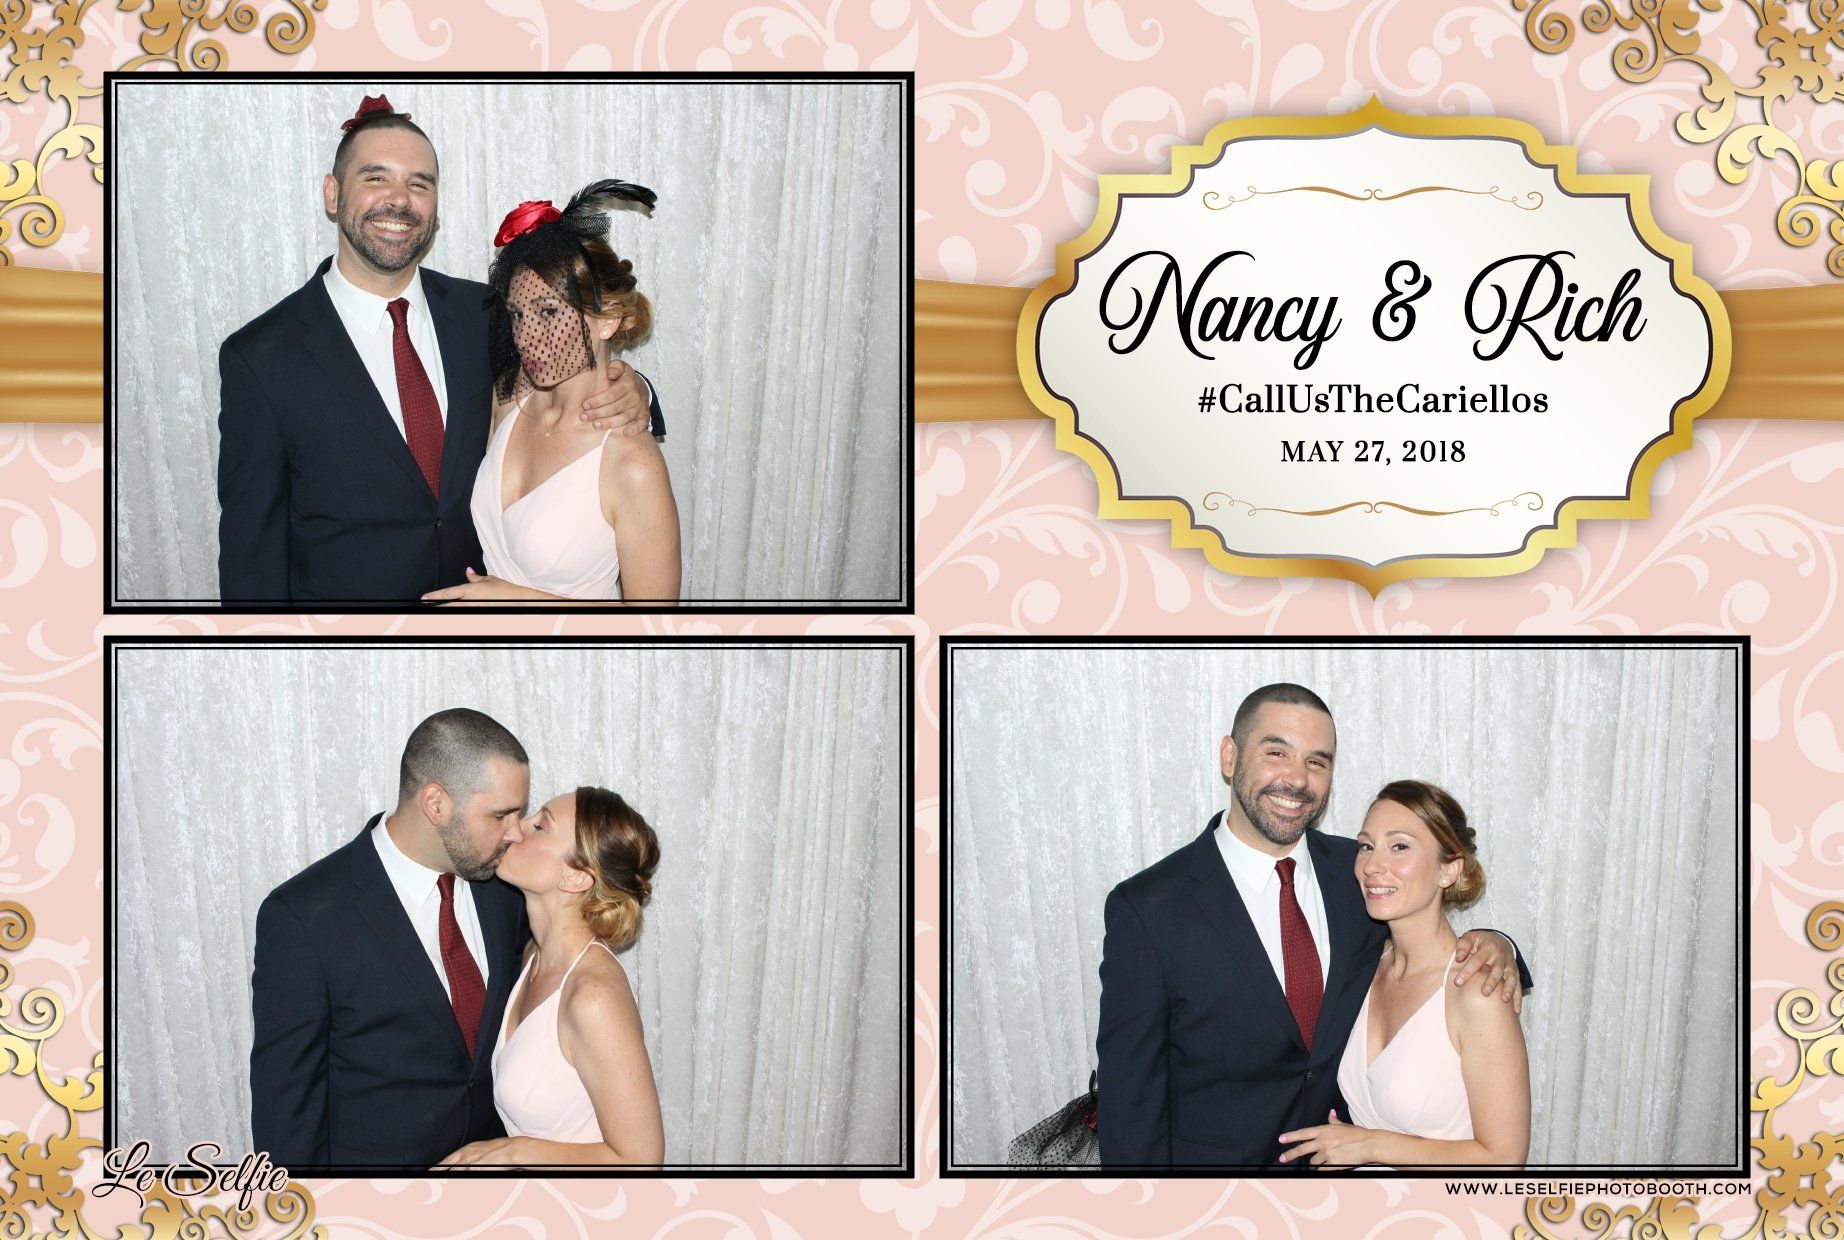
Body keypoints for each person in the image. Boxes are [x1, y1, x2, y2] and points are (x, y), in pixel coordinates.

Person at [217, 95, 661, 604]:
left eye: (419, 184)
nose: (400, 200)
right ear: (333, 194)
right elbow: (252, 555)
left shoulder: (485, 313)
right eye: (375, 177)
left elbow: (565, 368)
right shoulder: (261, 358)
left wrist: (634, 387)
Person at [1095, 683, 1532, 1168]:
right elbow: (1130, 1101)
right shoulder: (1148, 909)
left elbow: (1429, 939)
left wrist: (1498, 944)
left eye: (1317, 762)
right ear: (1230, 756)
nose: (1297, 779)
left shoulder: (1360, 874)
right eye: (1276, 751)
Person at [250, 708, 533, 1168]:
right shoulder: (303, 917)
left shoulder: (505, 891)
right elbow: (286, 1107)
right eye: (500, 815)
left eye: (520, 813)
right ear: (435, 803)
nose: (516, 833)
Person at [421, 182, 681, 602]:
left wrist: (516, 602)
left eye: (548, 312)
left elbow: (655, 629)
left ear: (607, 320)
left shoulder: (634, 465)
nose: (526, 337)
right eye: (518, 315)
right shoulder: (510, 398)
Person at [1277, 780, 1529, 1167]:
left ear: (1449, 869)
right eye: (1366, 846)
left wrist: (1371, 1146)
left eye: (1399, 846)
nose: (1373, 866)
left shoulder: (1477, 990)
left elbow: (1504, 1159)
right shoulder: (1361, 966)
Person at [438, 787, 665, 1164]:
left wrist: (517, 1152)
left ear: (576, 878)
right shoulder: (533, 956)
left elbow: (642, 1161)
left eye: (540, 825)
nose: (515, 828)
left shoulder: (593, 996)